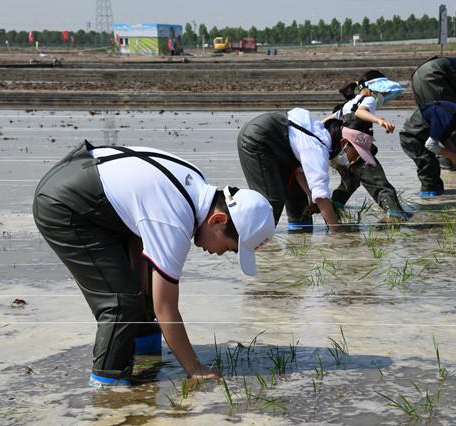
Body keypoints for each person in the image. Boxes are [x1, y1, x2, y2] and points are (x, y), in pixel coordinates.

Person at [33, 141, 275, 387]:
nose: (221, 253)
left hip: (85, 183)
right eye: (230, 247)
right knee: (120, 303)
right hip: (64, 203)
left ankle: (144, 357)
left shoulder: (196, 186)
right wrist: (194, 368)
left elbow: (140, 229)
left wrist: (143, 292)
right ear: (218, 220)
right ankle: (107, 388)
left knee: (143, 291)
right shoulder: (176, 220)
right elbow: (167, 309)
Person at [237, 107, 377, 231]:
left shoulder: (321, 136)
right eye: (357, 154)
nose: (355, 159)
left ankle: (299, 230)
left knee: (297, 196)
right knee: (272, 199)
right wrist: (336, 229)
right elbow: (321, 194)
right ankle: (250, 238)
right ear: (344, 143)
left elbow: (299, 172)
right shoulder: (317, 148)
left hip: (276, 143)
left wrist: (310, 195)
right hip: (257, 139)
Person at [330, 70, 411, 222]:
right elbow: (361, 113)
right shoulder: (368, 100)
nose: (381, 96)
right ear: (369, 88)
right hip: (354, 149)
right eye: (380, 91)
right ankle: (395, 214)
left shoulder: (348, 103)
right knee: (378, 182)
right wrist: (379, 121)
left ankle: (335, 206)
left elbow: (329, 119)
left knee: (351, 181)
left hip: (338, 151)